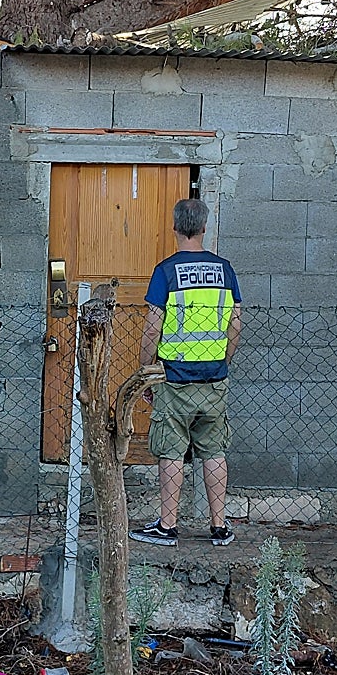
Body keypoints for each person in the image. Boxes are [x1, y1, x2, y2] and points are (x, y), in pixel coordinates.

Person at [129, 198, 241, 548]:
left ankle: (167, 525)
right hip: (214, 378)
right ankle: (220, 527)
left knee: (172, 451)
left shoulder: (167, 271)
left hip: (174, 379)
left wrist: (146, 370)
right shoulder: (224, 270)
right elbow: (236, 324)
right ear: (204, 228)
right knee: (214, 450)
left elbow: (152, 327)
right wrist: (224, 360)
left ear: (175, 227)